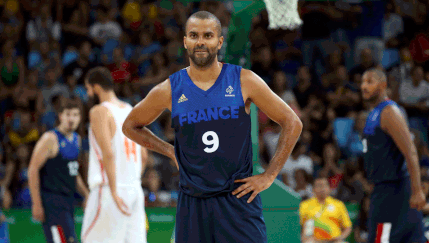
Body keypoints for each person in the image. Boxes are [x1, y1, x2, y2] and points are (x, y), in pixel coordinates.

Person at [122, 11, 303, 242]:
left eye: (208, 35)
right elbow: (130, 126)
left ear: (219, 42)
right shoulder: (170, 88)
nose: (200, 41)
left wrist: (270, 176)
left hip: (237, 200)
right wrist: (169, 150)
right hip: (193, 202)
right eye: (194, 35)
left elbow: (292, 122)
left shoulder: (243, 80)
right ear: (185, 41)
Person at [81, 66, 148, 243]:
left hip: (110, 190)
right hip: (134, 189)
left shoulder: (99, 111)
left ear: (96, 87)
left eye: (88, 89)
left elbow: (108, 154)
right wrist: (131, 181)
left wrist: (114, 190)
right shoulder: (130, 109)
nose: (87, 94)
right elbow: (144, 155)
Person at [361, 68, 426, 243]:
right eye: (362, 82)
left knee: (382, 239)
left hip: (394, 190)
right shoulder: (374, 113)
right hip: (384, 188)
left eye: (369, 82)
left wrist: (417, 190)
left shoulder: (389, 112)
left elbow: (410, 151)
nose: (363, 86)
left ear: (382, 85)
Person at [28, 98, 89, 243]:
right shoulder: (50, 139)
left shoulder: (77, 140)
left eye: (75, 115)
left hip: (68, 201)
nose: (71, 119)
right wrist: (36, 203)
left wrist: (87, 195)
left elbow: (73, 173)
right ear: (60, 116)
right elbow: (32, 169)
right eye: (68, 114)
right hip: (51, 201)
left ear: (80, 118)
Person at [299, 177, 352, 243]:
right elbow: (299, 226)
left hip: (334, 241)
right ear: (313, 189)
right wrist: (304, 238)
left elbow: (347, 227)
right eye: (319, 186)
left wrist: (340, 237)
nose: (322, 188)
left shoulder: (338, 204)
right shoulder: (305, 205)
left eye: (325, 185)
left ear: (329, 188)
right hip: (314, 240)